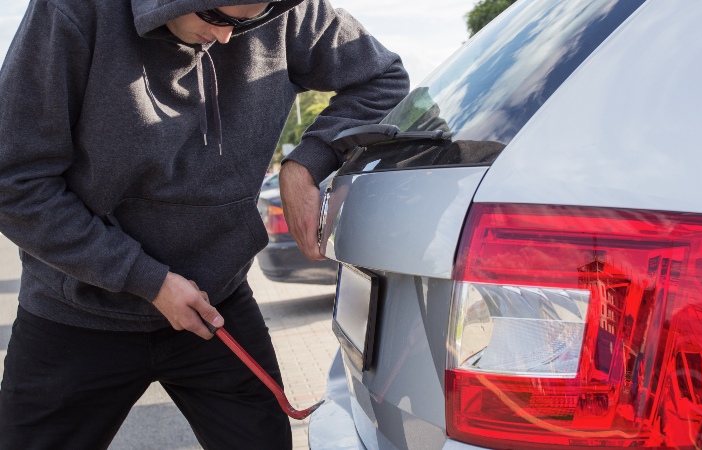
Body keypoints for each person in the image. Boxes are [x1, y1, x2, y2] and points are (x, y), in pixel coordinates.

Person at [0, 0, 409, 448]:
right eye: (214, 16)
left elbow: (381, 78)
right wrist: (148, 280)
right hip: (77, 314)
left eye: (249, 21)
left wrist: (305, 164)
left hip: (216, 303)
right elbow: (14, 182)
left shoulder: (289, 10)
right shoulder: (71, 13)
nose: (228, 38)